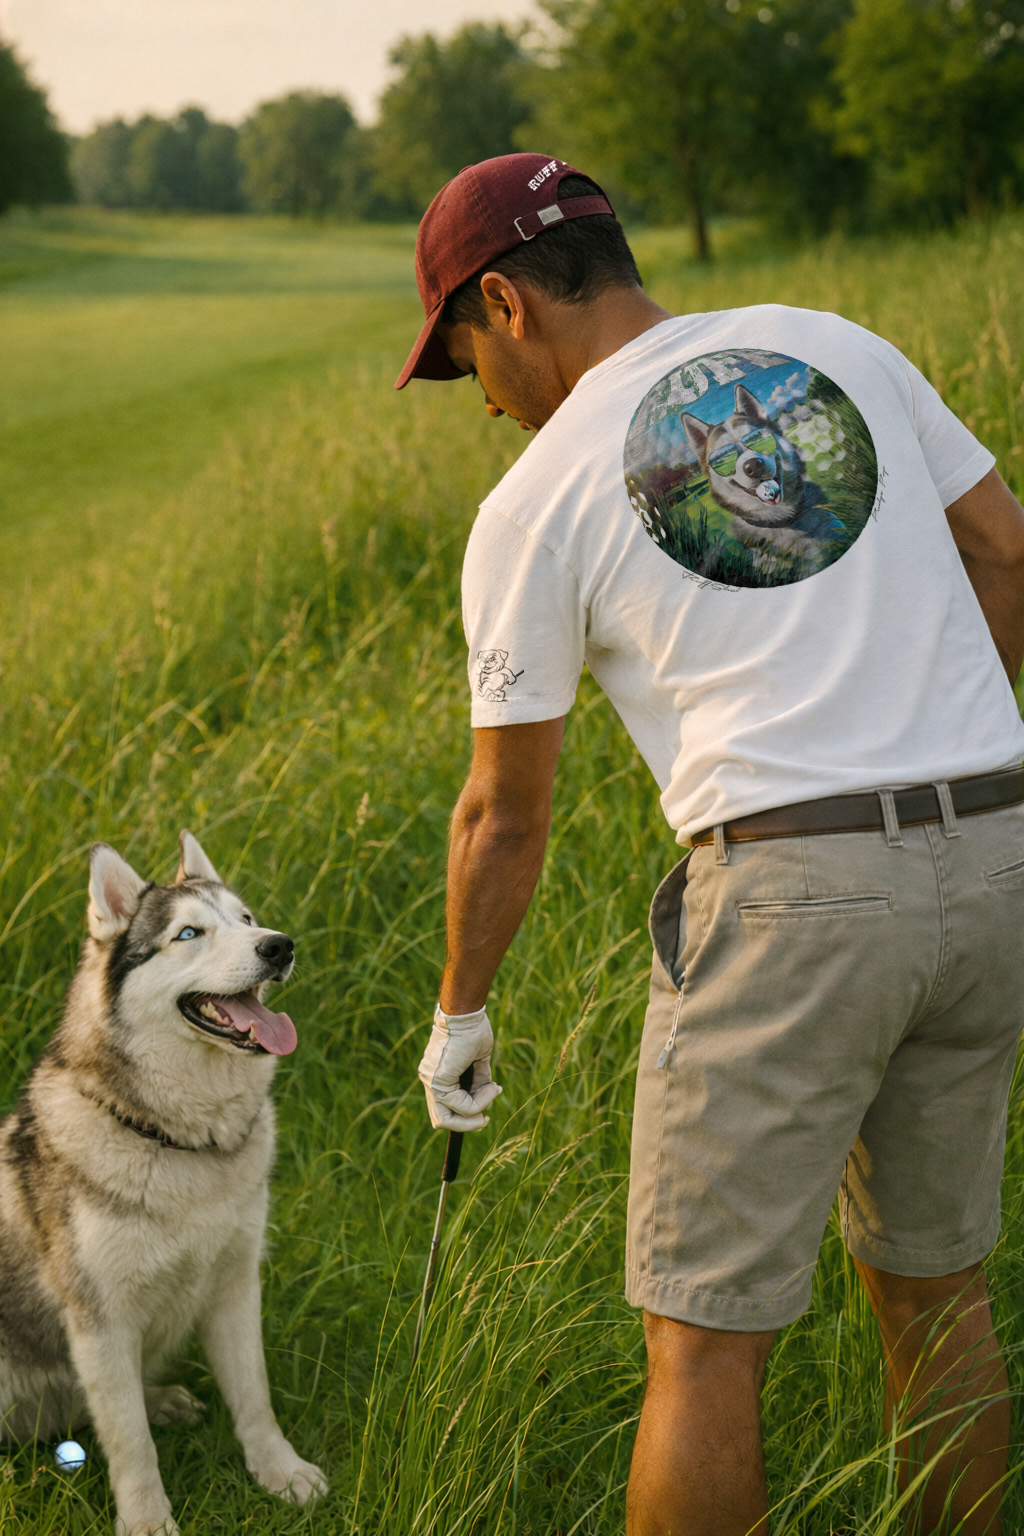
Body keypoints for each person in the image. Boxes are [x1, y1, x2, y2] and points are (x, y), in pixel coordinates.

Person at [396, 152, 1024, 1535]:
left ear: (504, 302)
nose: (485, 409)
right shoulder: (839, 347)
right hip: (992, 858)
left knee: (701, 1343)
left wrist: (461, 1008)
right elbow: (1008, 555)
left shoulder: (538, 499)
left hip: (793, 899)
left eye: (463, 365)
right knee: (938, 1290)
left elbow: (504, 812)